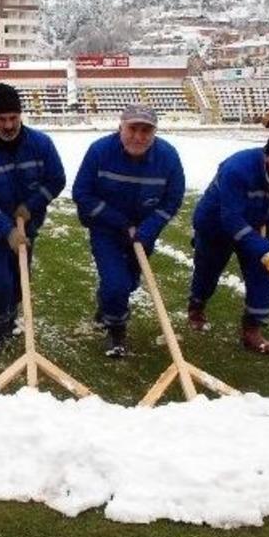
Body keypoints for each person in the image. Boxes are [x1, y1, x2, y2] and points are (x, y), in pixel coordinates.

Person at [72, 104, 184, 357]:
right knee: (116, 283)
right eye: (133, 129)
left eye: (146, 131)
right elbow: (82, 193)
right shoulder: (100, 151)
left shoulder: (168, 156)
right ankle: (116, 330)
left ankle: (107, 304)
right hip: (106, 228)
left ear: (154, 132)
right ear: (120, 127)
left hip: (144, 231)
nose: (138, 136)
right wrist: (122, 223)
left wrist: (148, 229)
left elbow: (172, 199)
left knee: (130, 282)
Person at [0, 82, 66, 353]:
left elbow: (56, 180)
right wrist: (7, 230)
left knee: (19, 279)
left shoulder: (41, 144)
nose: (9, 125)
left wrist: (32, 205)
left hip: (27, 223)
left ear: (20, 115)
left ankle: (9, 318)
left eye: (13, 118)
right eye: (2, 119)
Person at [188, 126, 269, 354]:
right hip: (216, 223)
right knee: (208, 270)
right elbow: (230, 217)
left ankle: (252, 330)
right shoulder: (238, 169)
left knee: (264, 269)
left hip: (254, 225)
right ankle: (197, 306)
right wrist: (259, 243)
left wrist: (265, 227)